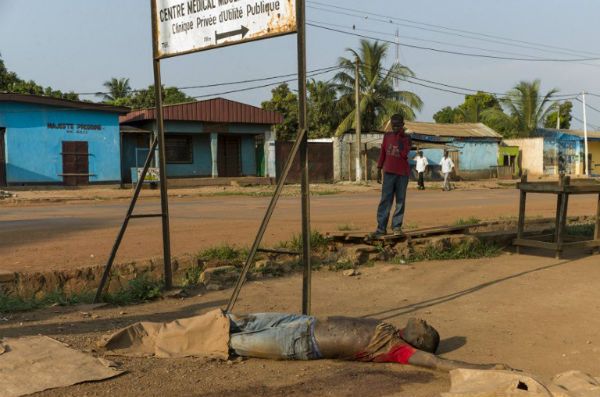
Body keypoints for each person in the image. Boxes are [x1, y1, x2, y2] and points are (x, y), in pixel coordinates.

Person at [102, 310, 509, 372]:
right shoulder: (389, 330)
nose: (421, 320)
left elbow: (439, 366)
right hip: (301, 322)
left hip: (299, 346)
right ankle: (159, 330)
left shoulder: (398, 350)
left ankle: (153, 342)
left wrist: (484, 369)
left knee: (226, 343)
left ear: (420, 341)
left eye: (425, 327)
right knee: (231, 319)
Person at [374, 113, 412, 237]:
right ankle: (381, 228)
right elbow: (383, 153)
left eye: (398, 125)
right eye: (393, 125)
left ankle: (396, 227)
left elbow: (404, 154)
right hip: (389, 173)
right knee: (385, 200)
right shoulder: (387, 136)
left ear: (402, 125)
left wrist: (400, 137)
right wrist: (379, 169)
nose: (395, 128)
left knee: (400, 201)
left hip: (402, 174)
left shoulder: (407, 138)